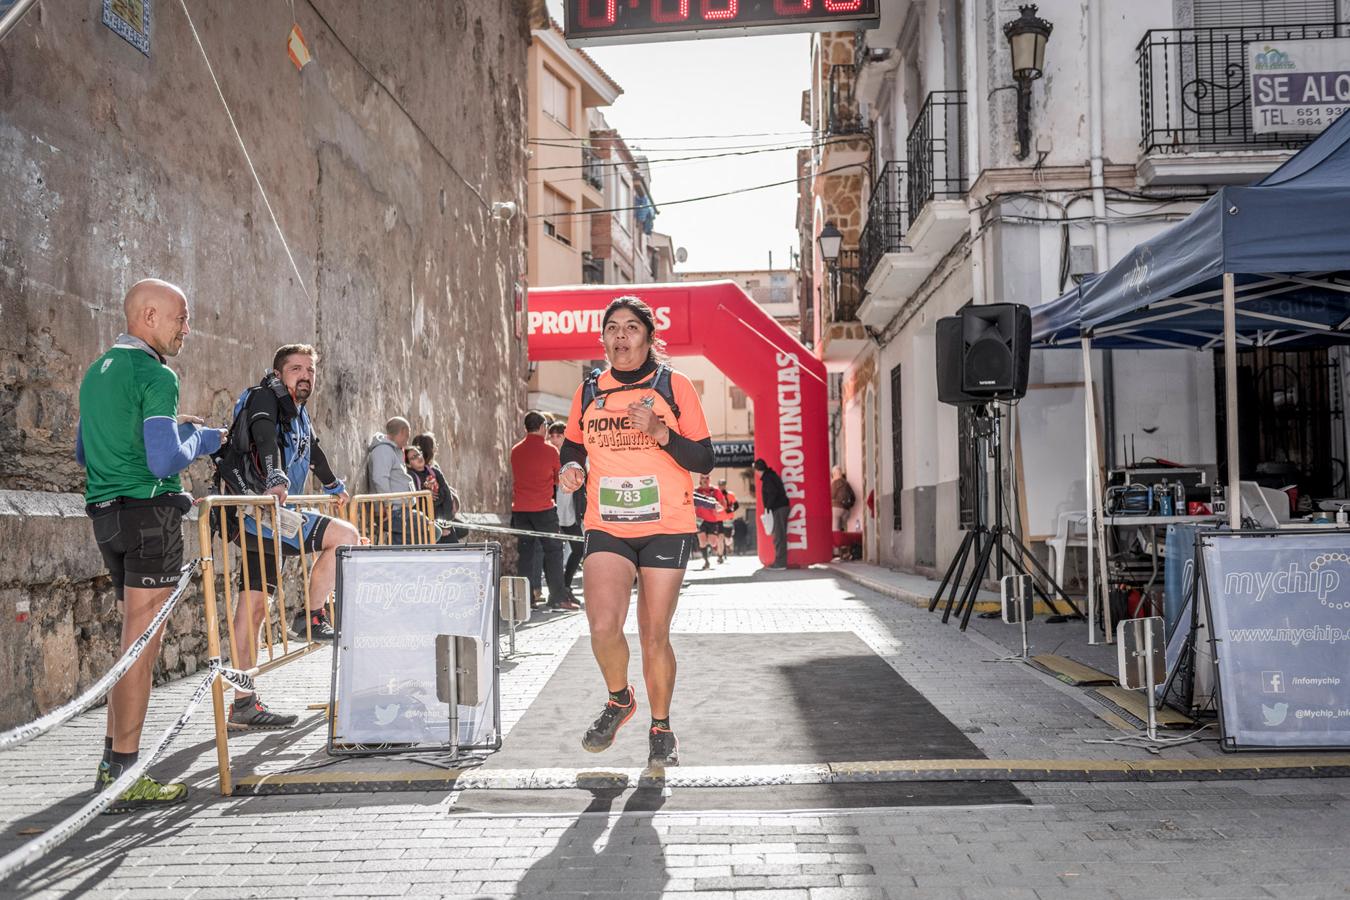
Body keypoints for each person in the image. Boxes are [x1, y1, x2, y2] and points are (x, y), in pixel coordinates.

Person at [76, 278, 224, 810]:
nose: (189, 328)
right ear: (150, 317)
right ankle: (126, 771)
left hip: (105, 517)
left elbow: (82, 449)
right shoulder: (156, 373)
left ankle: (113, 761)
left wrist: (167, 429)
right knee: (142, 648)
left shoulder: (96, 372)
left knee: (128, 644)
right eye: (182, 317)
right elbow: (165, 461)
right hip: (149, 514)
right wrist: (202, 439)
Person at [559, 295, 714, 768]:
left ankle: (661, 727)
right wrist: (571, 469)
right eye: (612, 328)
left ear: (648, 337)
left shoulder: (674, 385)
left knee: (653, 634)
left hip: (667, 524)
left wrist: (662, 434)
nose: (620, 336)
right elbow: (572, 447)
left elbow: (705, 459)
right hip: (607, 524)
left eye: (630, 328)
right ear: (603, 337)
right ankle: (619, 698)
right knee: (603, 625)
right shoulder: (588, 391)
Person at [214, 344, 358, 730]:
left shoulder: (298, 413)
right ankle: (310, 617)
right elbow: (263, 436)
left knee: (256, 607)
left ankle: (244, 703)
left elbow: (313, 451)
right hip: (259, 515)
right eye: (296, 368)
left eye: (310, 369)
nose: (305, 375)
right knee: (342, 537)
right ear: (279, 373)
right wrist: (277, 477)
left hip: (275, 517)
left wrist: (332, 484)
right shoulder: (266, 396)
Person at [511, 412, 576, 610]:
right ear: (541, 427)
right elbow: (558, 479)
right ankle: (557, 597)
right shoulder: (550, 451)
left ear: (525, 428)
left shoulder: (516, 450)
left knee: (526, 553)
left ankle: (525, 599)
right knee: (554, 551)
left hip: (521, 509)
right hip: (543, 508)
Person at [365, 416, 437, 544]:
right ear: (403, 431)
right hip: (393, 511)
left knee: (405, 542)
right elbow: (380, 479)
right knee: (430, 529)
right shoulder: (383, 450)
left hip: (400, 509)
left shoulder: (393, 450)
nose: (408, 439)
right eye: (408, 435)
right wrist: (388, 506)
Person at [547, 421, 585, 603]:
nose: (554, 439)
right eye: (552, 436)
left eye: (558, 436)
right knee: (556, 552)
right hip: (555, 511)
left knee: (578, 549)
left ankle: (565, 587)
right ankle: (559, 591)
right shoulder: (551, 454)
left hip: (570, 511)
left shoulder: (571, 455)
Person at [755, 458, 790, 569]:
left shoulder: (768, 478)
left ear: (757, 470)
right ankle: (780, 561)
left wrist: (768, 508)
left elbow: (772, 493)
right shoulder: (770, 476)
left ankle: (780, 563)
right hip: (780, 507)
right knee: (779, 535)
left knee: (779, 536)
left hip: (778, 508)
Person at [693, 474, 726, 570]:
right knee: (702, 542)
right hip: (700, 520)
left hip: (712, 520)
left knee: (712, 542)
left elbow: (723, 504)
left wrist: (719, 508)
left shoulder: (715, 491)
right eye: (703, 478)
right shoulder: (696, 491)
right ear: (700, 479)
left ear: (710, 479)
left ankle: (709, 549)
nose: (705, 480)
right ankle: (706, 561)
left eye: (707, 478)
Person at [718, 478, 739, 560]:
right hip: (719, 518)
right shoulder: (716, 494)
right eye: (720, 485)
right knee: (720, 538)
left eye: (723, 485)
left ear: (725, 485)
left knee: (727, 538)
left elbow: (736, 505)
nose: (721, 486)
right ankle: (720, 556)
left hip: (728, 518)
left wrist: (730, 510)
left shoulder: (731, 495)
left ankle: (729, 544)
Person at [831, 465, 855, 532]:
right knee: (841, 526)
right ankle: (841, 532)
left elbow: (832, 496)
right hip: (846, 512)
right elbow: (853, 497)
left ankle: (838, 539)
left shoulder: (834, 483)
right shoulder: (846, 483)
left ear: (834, 474)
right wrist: (849, 506)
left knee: (835, 530)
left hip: (836, 509)